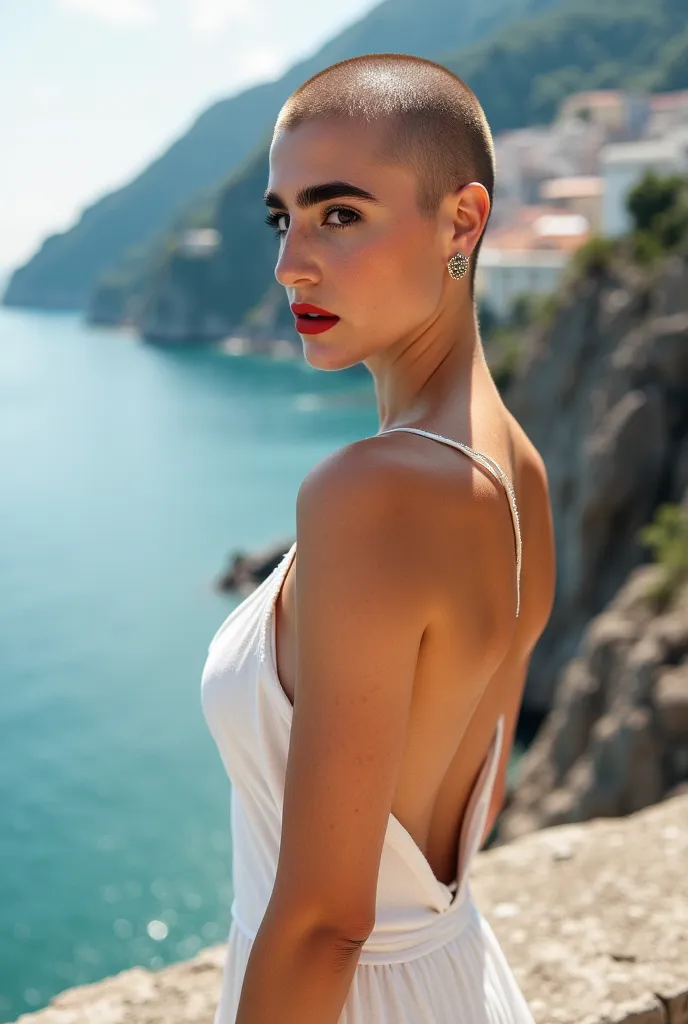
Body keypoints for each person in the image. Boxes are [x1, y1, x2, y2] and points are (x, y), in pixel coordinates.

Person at [201, 52, 556, 1024]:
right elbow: (473, 796)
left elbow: (322, 923)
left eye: (339, 213)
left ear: (462, 221)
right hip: (457, 978)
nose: (290, 263)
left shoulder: (371, 495)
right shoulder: (515, 469)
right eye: (284, 217)